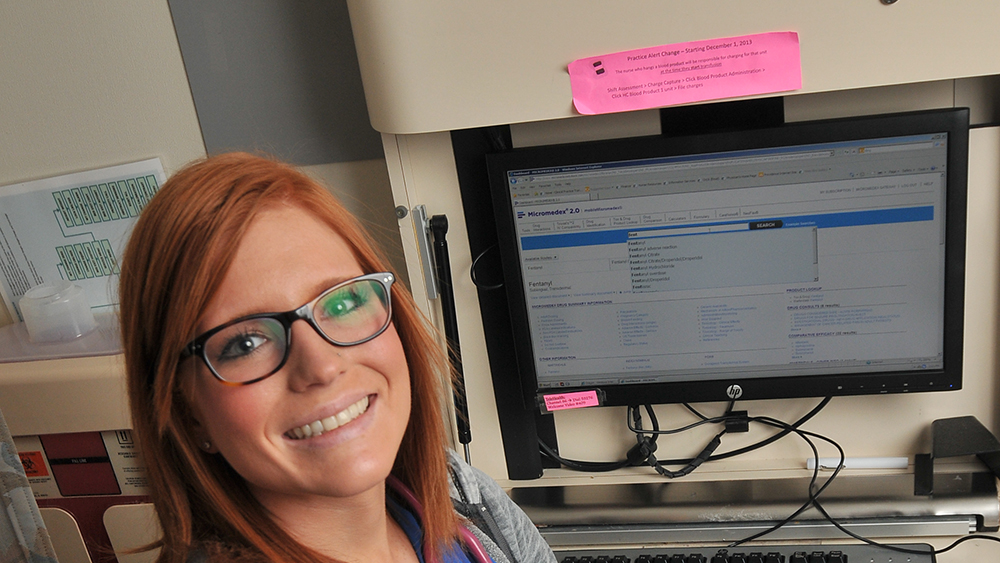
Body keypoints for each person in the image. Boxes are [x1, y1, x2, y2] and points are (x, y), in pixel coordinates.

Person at [118, 152, 556, 563]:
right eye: (246, 343)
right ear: (188, 412)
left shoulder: (457, 489)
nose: (323, 367)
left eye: (343, 303)